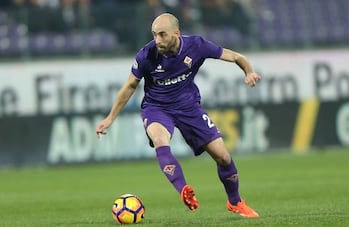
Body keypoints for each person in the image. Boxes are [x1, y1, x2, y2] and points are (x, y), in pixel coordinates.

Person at [96, 13, 260, 218]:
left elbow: (236, 57)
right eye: (154, 35)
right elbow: (130, 85)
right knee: (160, 140)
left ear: (176, 33)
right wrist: (110, 118)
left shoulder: (197, 46)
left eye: (162, 35)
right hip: (156, 108)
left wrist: (249, 72)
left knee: (223, 157)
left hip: (189, 107)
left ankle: (235, 202)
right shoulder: (146, 55)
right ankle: (183, 190)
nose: (157, 40)